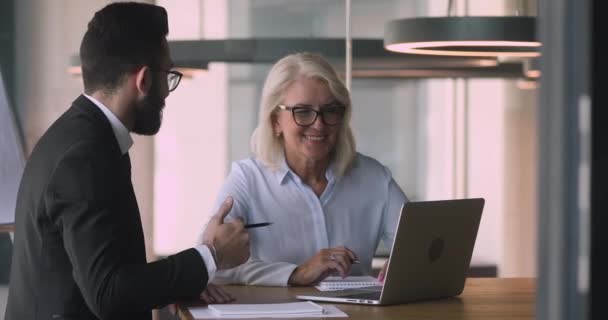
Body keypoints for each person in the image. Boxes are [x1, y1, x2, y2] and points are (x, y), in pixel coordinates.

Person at [6, 3, 249, 319]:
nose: (167, 92)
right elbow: (109, 294)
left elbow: (112, 271)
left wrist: (185, 278)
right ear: (144, 80)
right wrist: (211, 256)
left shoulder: (81, 137)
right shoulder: (85, 156)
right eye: (168, 76)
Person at [209, 52, 408, 287]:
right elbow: (212, 266)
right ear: (275, 121)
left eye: (331, 110)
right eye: (302, 111)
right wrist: (296, 273)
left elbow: (420, 245)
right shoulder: (248, 179)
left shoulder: (374, 178)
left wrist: (407, 262)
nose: (319, 124)